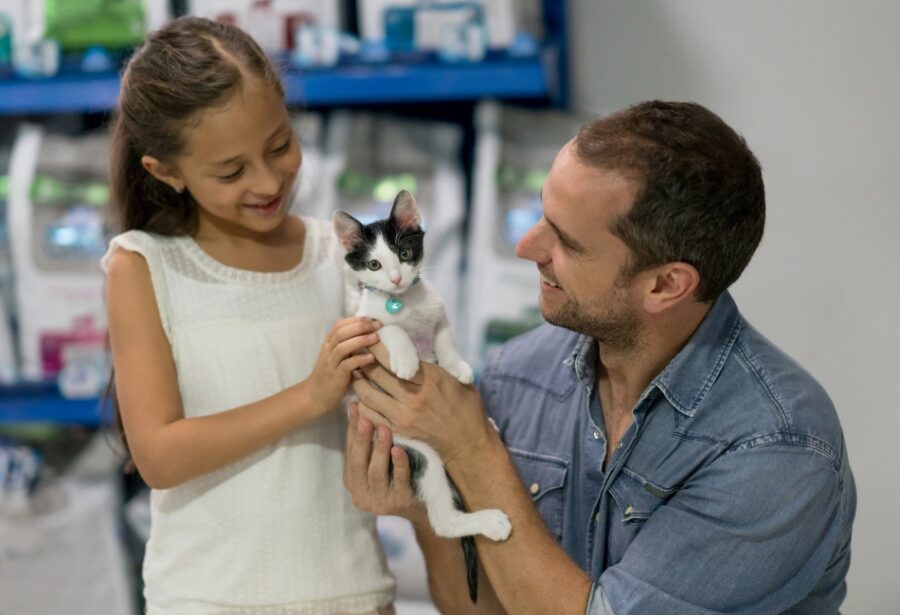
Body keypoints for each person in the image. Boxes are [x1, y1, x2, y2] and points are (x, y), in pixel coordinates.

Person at [344, 101, 856, 614]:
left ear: (665, 285)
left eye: (565, 241)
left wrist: (471, 450)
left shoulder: (778, 450)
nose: (527, 246)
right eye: (542, 212)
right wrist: (424, 507)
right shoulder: (518, 376)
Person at [102, 17, 395, 614]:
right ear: (166, 172)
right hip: (206, 598)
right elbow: (158, 454)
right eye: (232, 172)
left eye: (280, 145)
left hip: (351, 592)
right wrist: (309, 398)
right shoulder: (142, 267)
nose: (268, 181)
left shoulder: (341, 254)